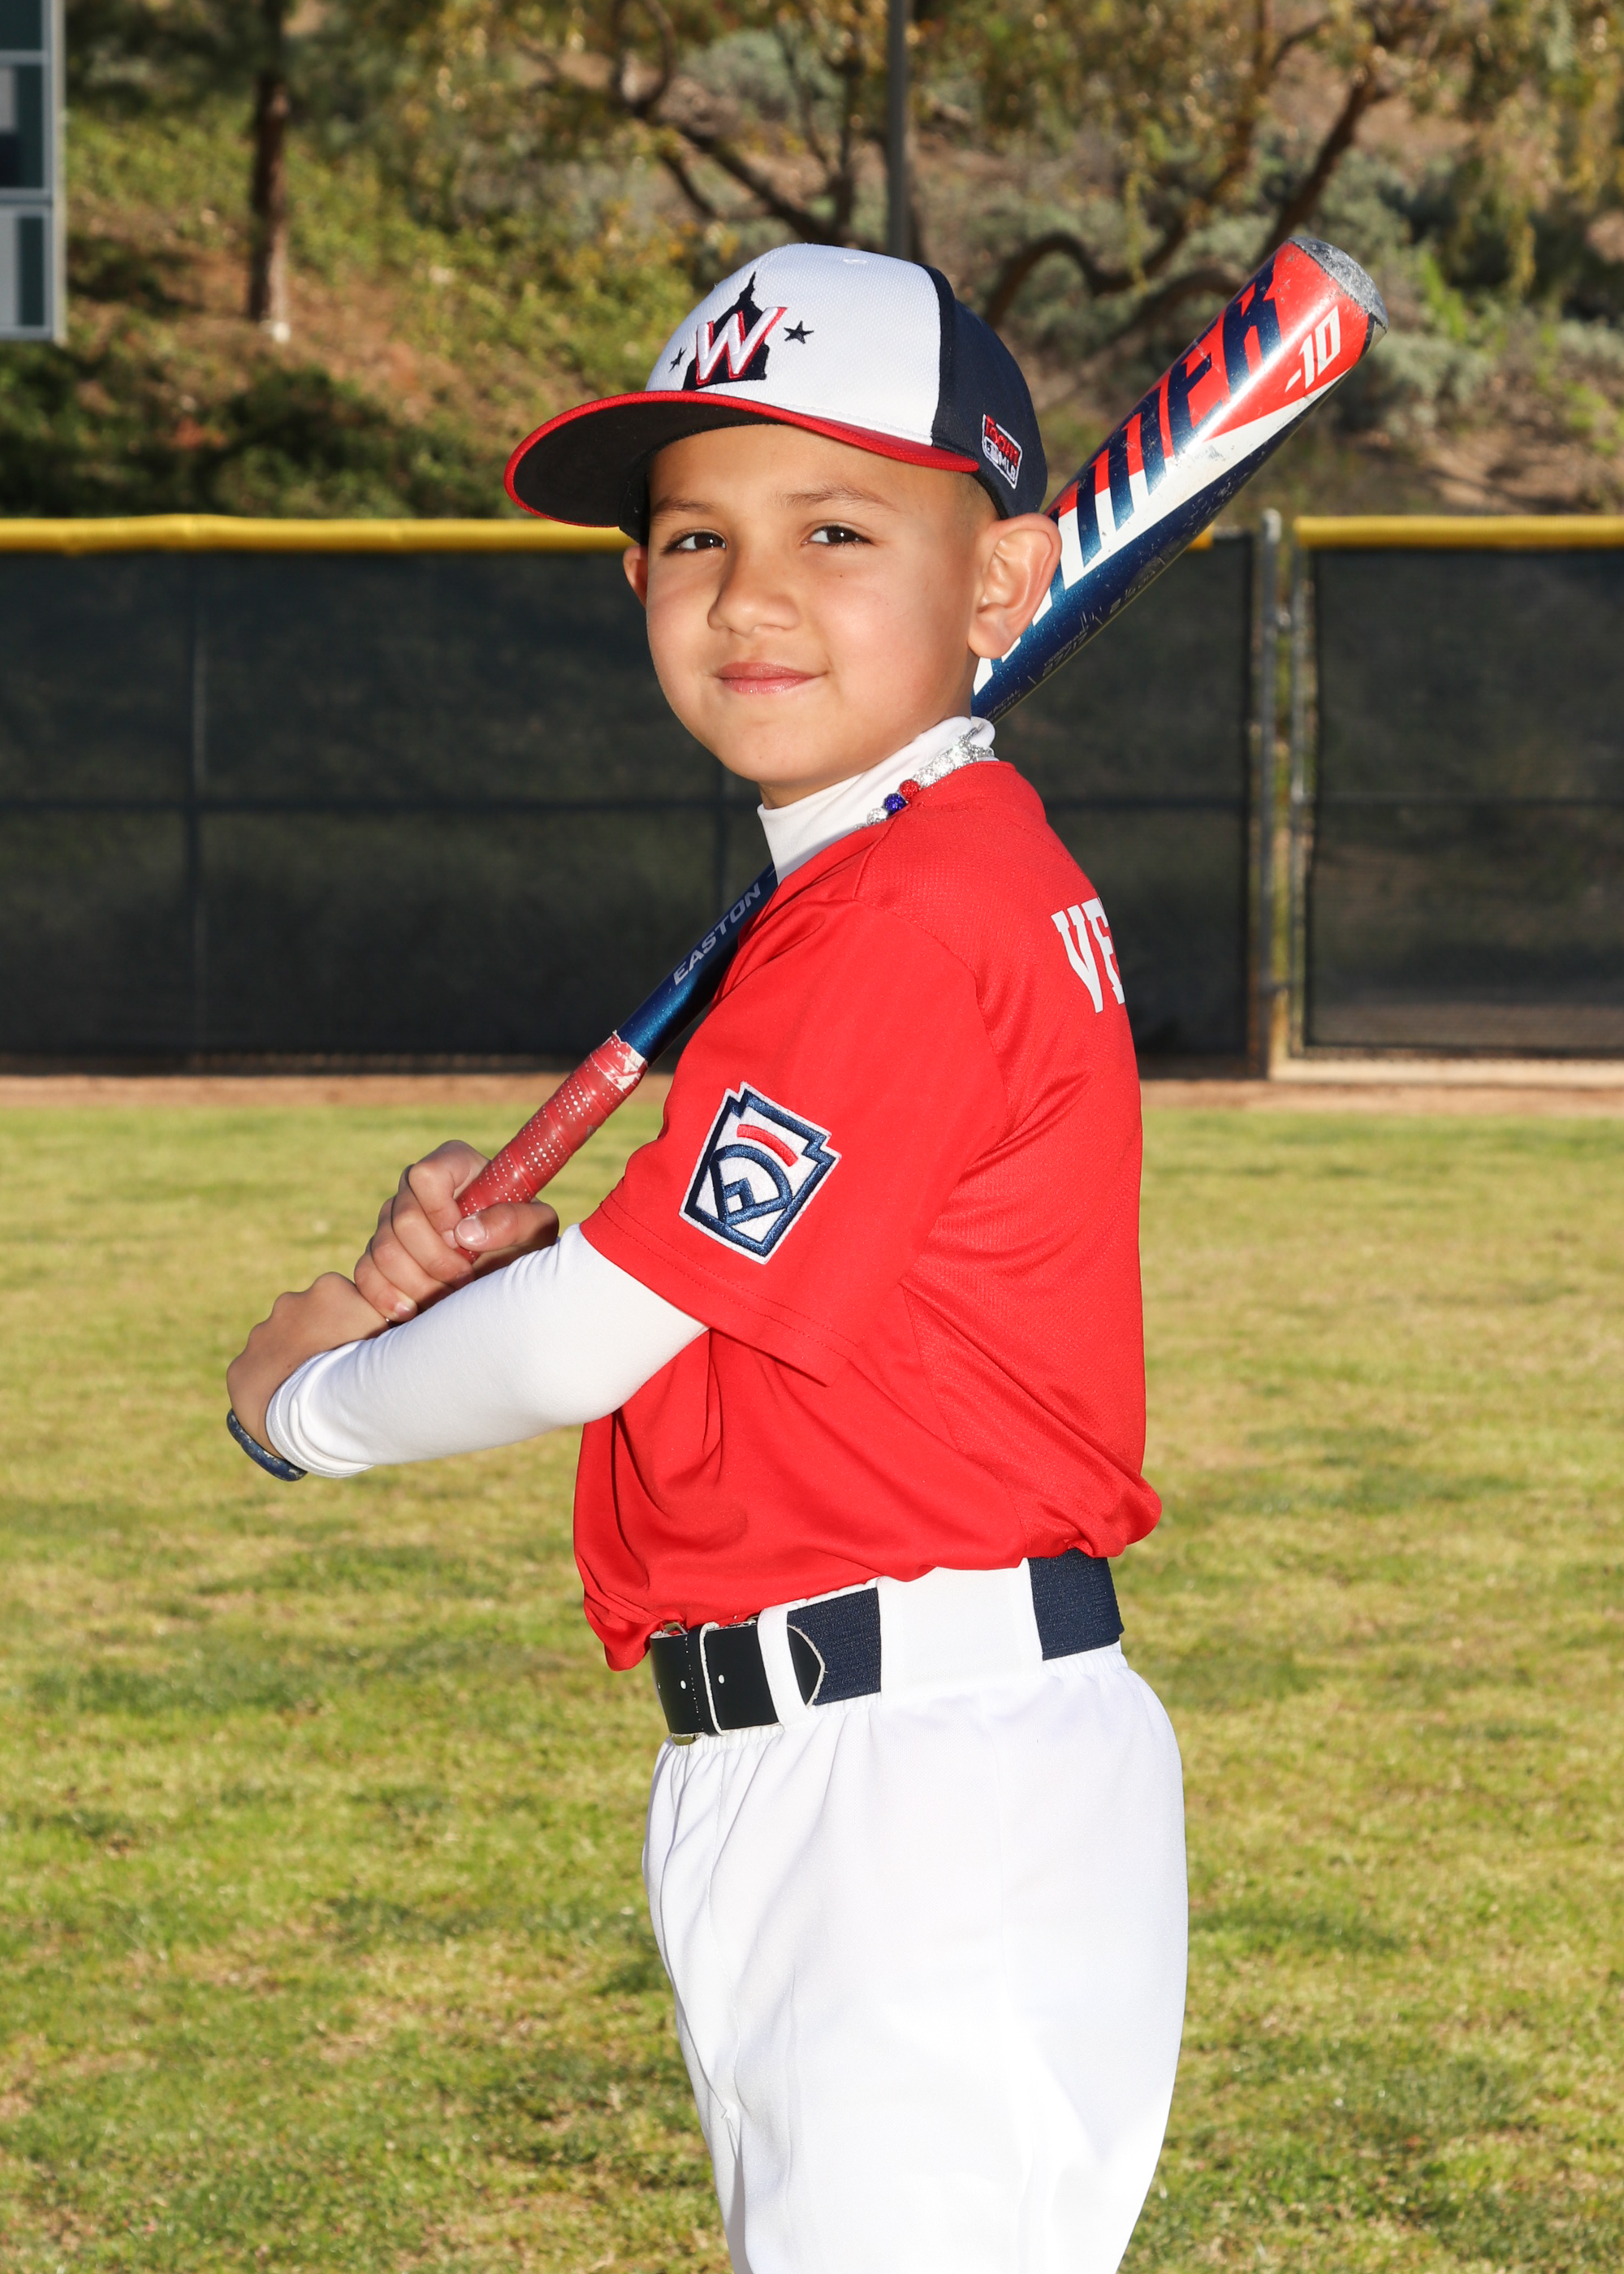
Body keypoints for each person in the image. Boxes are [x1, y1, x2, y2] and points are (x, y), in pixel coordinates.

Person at [227, 242, 1187, 2274]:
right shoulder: (915, 871)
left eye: (836, 530)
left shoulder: (900, 909)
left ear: (1003, 585)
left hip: (906, 1788)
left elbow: (598, 1336)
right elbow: (697, 1300)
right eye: (694, 537)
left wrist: (310, 1400)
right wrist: (489, 1275)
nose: (750, 594)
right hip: (902, 1754)